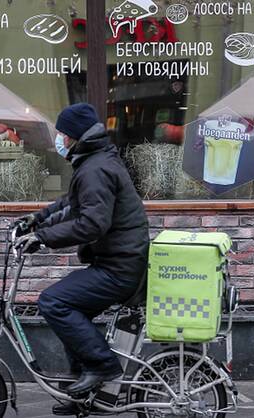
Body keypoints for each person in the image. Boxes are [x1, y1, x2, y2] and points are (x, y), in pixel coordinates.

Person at [15, 103, 149, 412]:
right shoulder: (93, 162)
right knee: (73, 310)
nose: (57, 139)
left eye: (60, 133)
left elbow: (92, 224)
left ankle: (103, 366)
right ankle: (83, 394)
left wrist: (42, 238)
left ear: (74, 135)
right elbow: (72, 203)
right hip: (119, 262)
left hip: (120, 268)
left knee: (54, 302)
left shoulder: (96, 168)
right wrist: (36, 220)